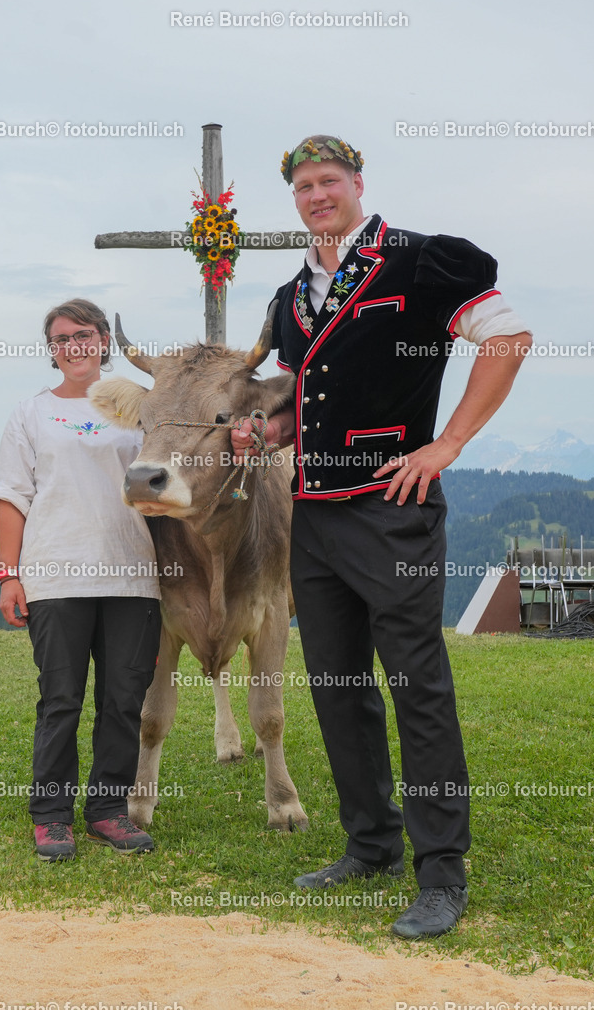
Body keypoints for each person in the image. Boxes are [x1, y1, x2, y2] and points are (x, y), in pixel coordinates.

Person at [231, 136, 532, 938]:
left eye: (328, 180)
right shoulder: (292, 296)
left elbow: (507, 340)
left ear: (357, 183)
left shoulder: (421, 260)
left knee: (416, 689)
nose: (316, 195)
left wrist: (446, 444)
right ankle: (370, 844)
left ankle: (441, 873)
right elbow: (310, 397)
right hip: (313, 514)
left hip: (391, 509)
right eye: (302, 186)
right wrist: (266, 433)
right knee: (336, 686)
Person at [0, 299, 161, 863]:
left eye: (82, 335)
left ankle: (108, 812)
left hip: (132, 573)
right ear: (51, 350)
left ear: (104, 339)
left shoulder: (140, 406)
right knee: (61, 698)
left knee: (123, 699)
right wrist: (10, 575)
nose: (72, 347)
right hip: (56, 571)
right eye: (60, 339)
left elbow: (173, 474)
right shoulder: (30, 413)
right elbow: (12, 497)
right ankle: (51, 817)